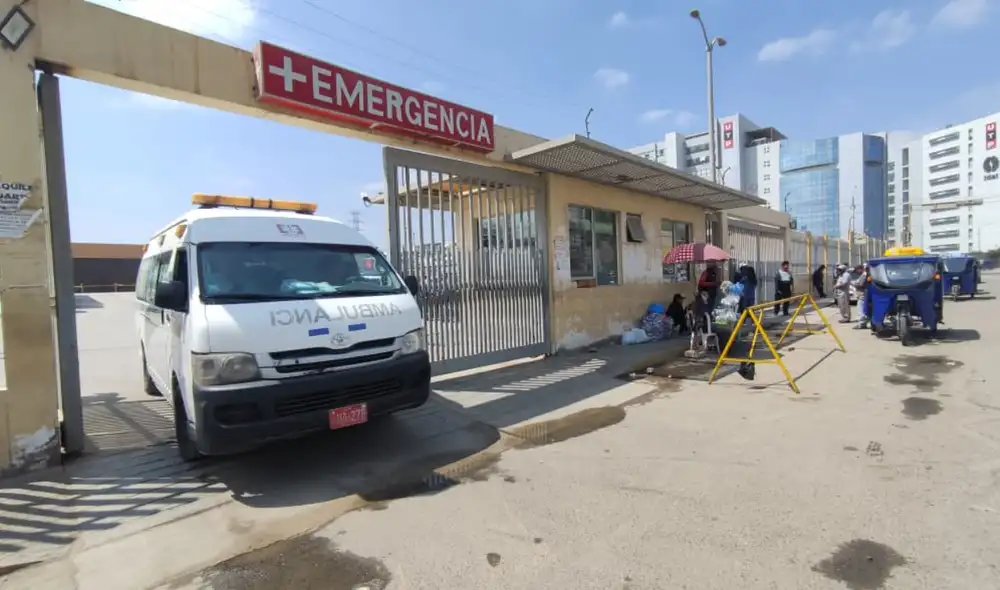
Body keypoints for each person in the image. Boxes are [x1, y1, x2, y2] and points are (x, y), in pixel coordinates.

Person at [852, 264, 869, 330]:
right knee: (862, 310)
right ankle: (863, 323)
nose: (856, 271)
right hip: (861, 295)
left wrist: (854, 284)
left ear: (860, 269)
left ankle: (861, 324)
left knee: (861, 311)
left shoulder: (864, 275)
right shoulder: (863, 275)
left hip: (862, 295)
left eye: (857, 270)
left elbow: (861, 284)